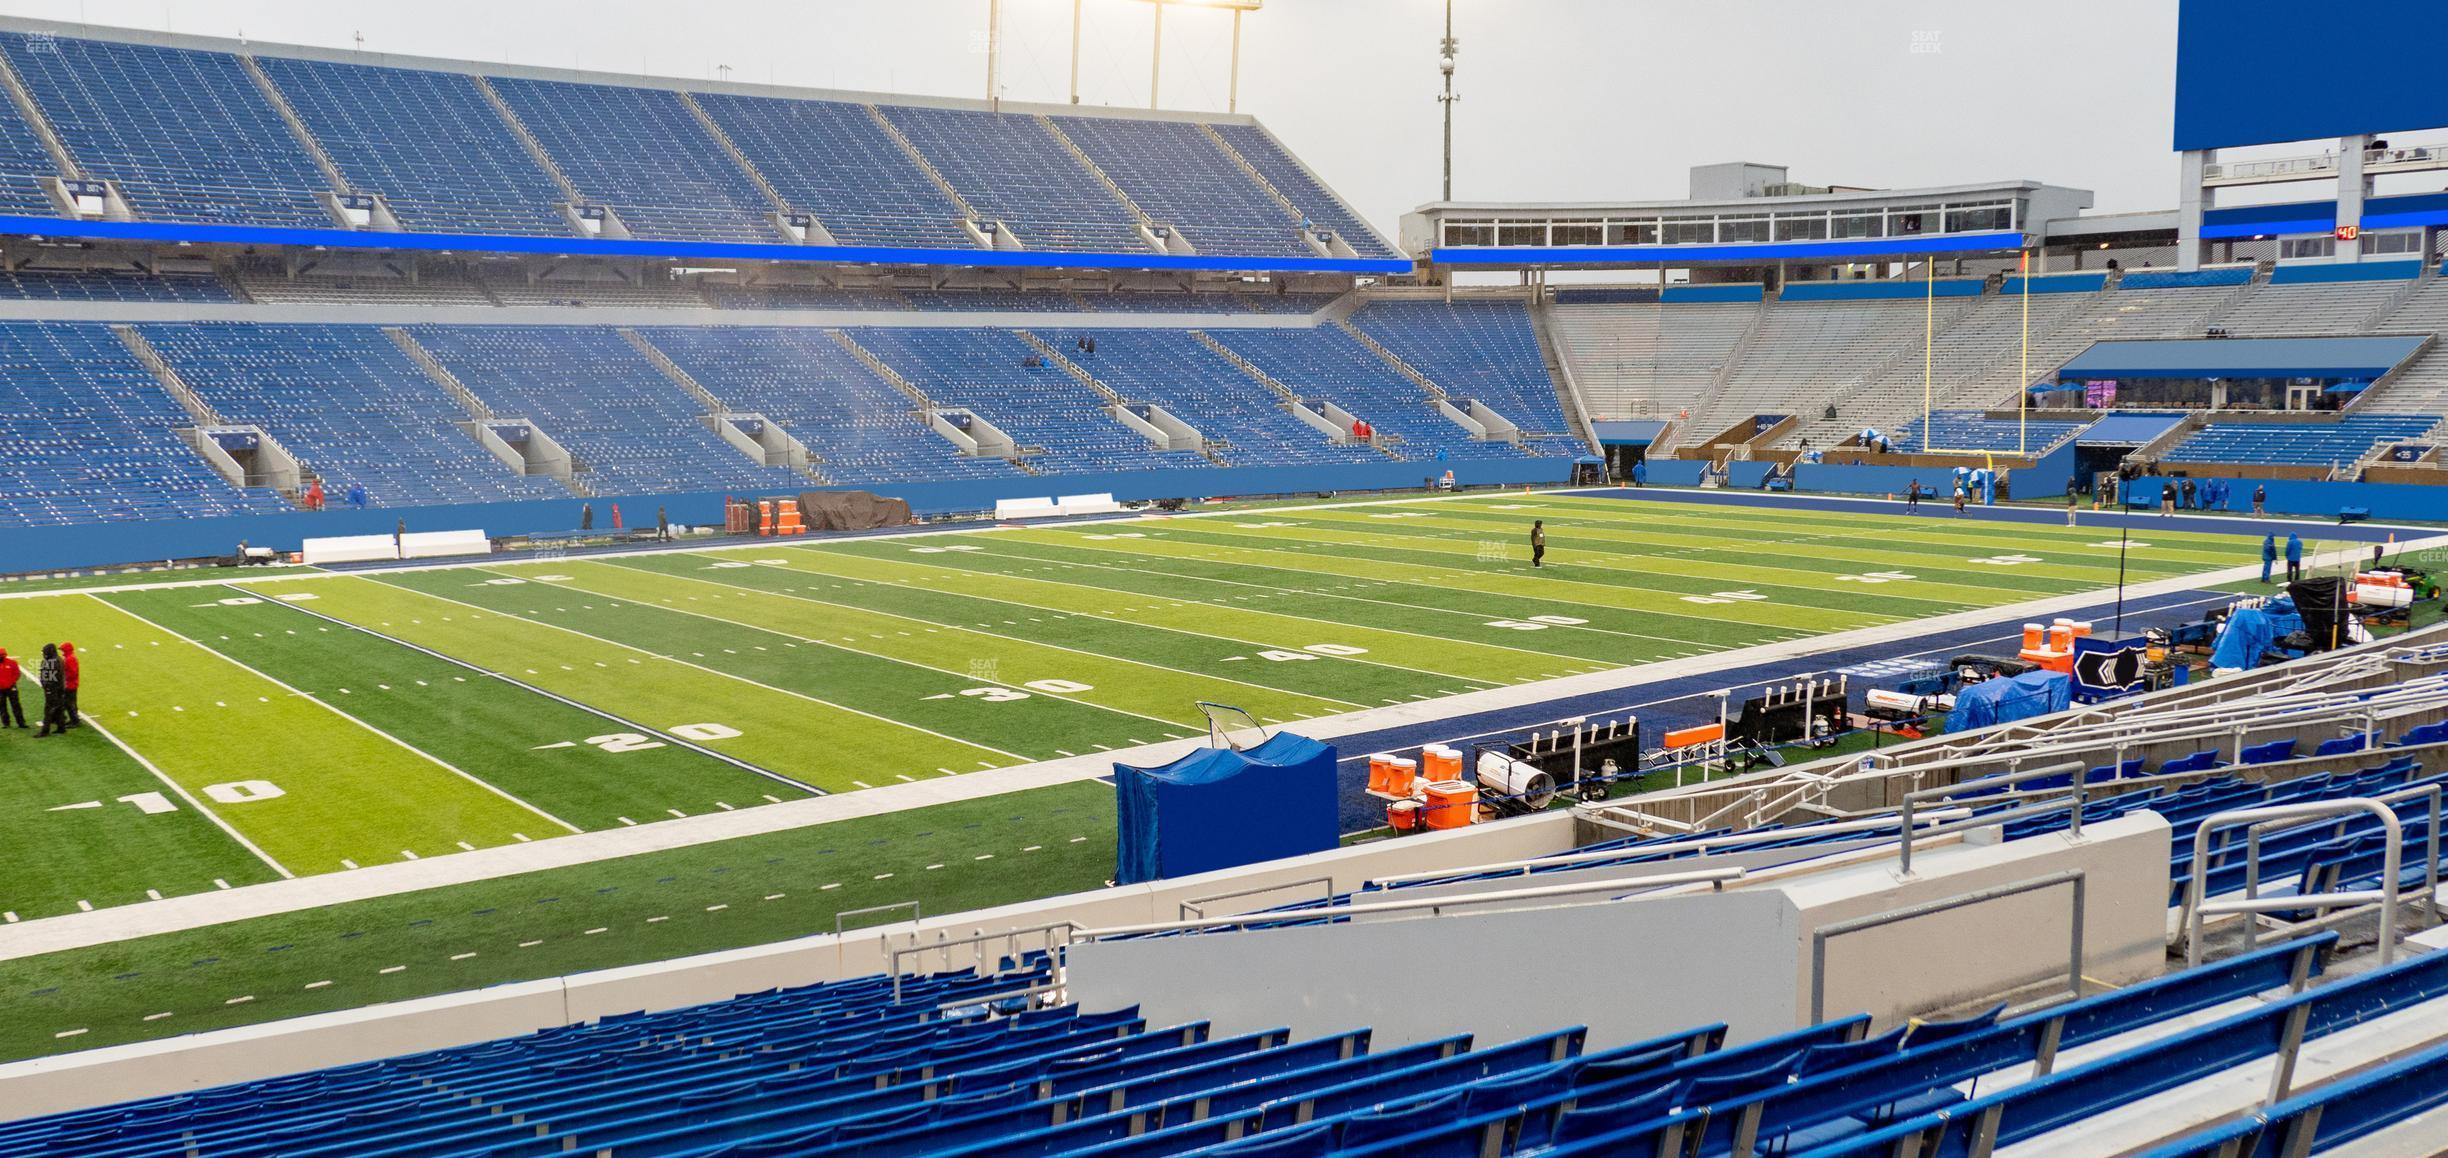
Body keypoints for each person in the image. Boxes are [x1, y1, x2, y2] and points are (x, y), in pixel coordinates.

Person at [32, 643, 66, 737]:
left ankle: (45, 731)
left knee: (49, 710)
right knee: (59, 708)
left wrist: (46, 686)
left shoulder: (50, 662)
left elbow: (47, 677)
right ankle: (61, 727)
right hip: (60, 688)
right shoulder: (59, 659)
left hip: (52, 689)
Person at [0, 647, 22, 729]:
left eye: (2, 655)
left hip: (11, 687)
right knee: (2, 706)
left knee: (16, 705)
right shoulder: (12, 662)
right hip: (1, 689)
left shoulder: (12, 663)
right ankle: (6, 723)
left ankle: (21, 722)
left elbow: (17, 674)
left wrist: (11, 682)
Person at [58, 641, 77, 728]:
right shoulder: (69, 658)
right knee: (70, 703)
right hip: (69, 684)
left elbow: (73, 673)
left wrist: (63, 676)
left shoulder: (70, 659)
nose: (61, 652)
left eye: (62, 650)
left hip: (70, 685)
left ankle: (75, 721)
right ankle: (73, 719)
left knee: (69, 703)